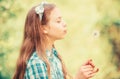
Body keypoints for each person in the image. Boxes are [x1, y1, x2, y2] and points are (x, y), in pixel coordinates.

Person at [13, 1, 99, 79]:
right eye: (58, 21)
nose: (64, 24)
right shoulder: (37, 63)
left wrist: (81, 74)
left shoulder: (54, 57)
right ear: (44, 29)